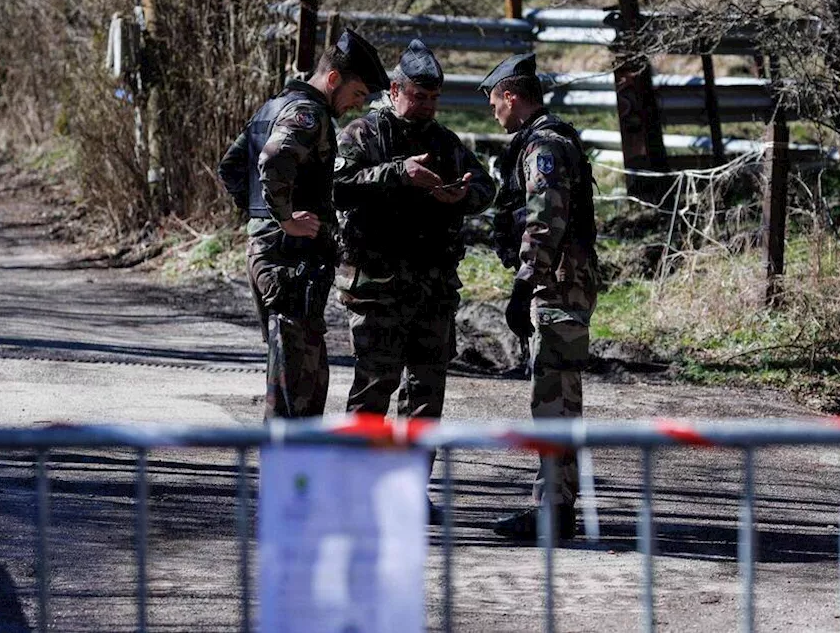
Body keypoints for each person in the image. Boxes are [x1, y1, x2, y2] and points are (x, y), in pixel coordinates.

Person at [333, 39, 496, 521]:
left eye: (433, 98)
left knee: (425, 397)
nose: (426, 106)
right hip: (377, 287)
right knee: (372, 391)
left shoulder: (445, 142)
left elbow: (484, 187)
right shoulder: (363, 133)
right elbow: (337, 186)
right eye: (418, 97)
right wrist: (395, 175)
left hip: (433, 291)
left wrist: (459, 197)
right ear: (395, 90)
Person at [218, 28, 389, 419]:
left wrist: (262, 217)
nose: (357, 106)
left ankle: (291, 474)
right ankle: (284, 475)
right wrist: (285, 220)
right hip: (290, 262)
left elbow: (230, 168)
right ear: (333, 79)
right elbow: (273, 160)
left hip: (272, 256)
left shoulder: (274, 106)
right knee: (296, 386)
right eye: (358, 94)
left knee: (297, 375)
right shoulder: (308, 114)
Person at [481, 52, 600, 541]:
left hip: (558, 280)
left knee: (553, 395)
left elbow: (544, 218)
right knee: (558, 394)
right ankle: (557, 503)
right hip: (564, 277)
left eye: (494, 103)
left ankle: (554, 509)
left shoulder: (542, 147)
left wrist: (524, 282)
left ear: (512, 96)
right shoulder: (548, 138)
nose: (494, 113)